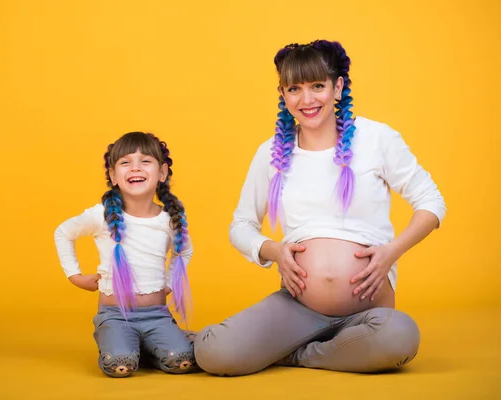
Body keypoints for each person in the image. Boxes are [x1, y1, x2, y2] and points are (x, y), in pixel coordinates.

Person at [193, 40, 446, 376]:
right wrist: (275, 251)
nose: (306, 99)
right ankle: (317, 350)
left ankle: (296, 354)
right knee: (214, 352)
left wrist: (390, 253)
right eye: (294, 88)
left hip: (368, 312)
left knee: (400, 338)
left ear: (338, 87)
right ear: (283, 94)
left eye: (317, 86)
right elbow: (241, 225)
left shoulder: (376, 138)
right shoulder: (271, 153)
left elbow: (432, 202)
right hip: (298, 306)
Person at [54, 132, 197, 377]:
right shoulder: (101, 216)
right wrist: (75, 276)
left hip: (157, 315)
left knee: (182, 361)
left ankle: (153, 345)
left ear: (162, 173)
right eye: (125, 162)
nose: (135, 168)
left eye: (145, 161)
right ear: (112, 175)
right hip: (115, 315)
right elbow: (63, 232)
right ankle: (120, 342)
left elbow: (184, 251)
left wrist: (169, 283)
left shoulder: (167, 219)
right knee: (120, 365)